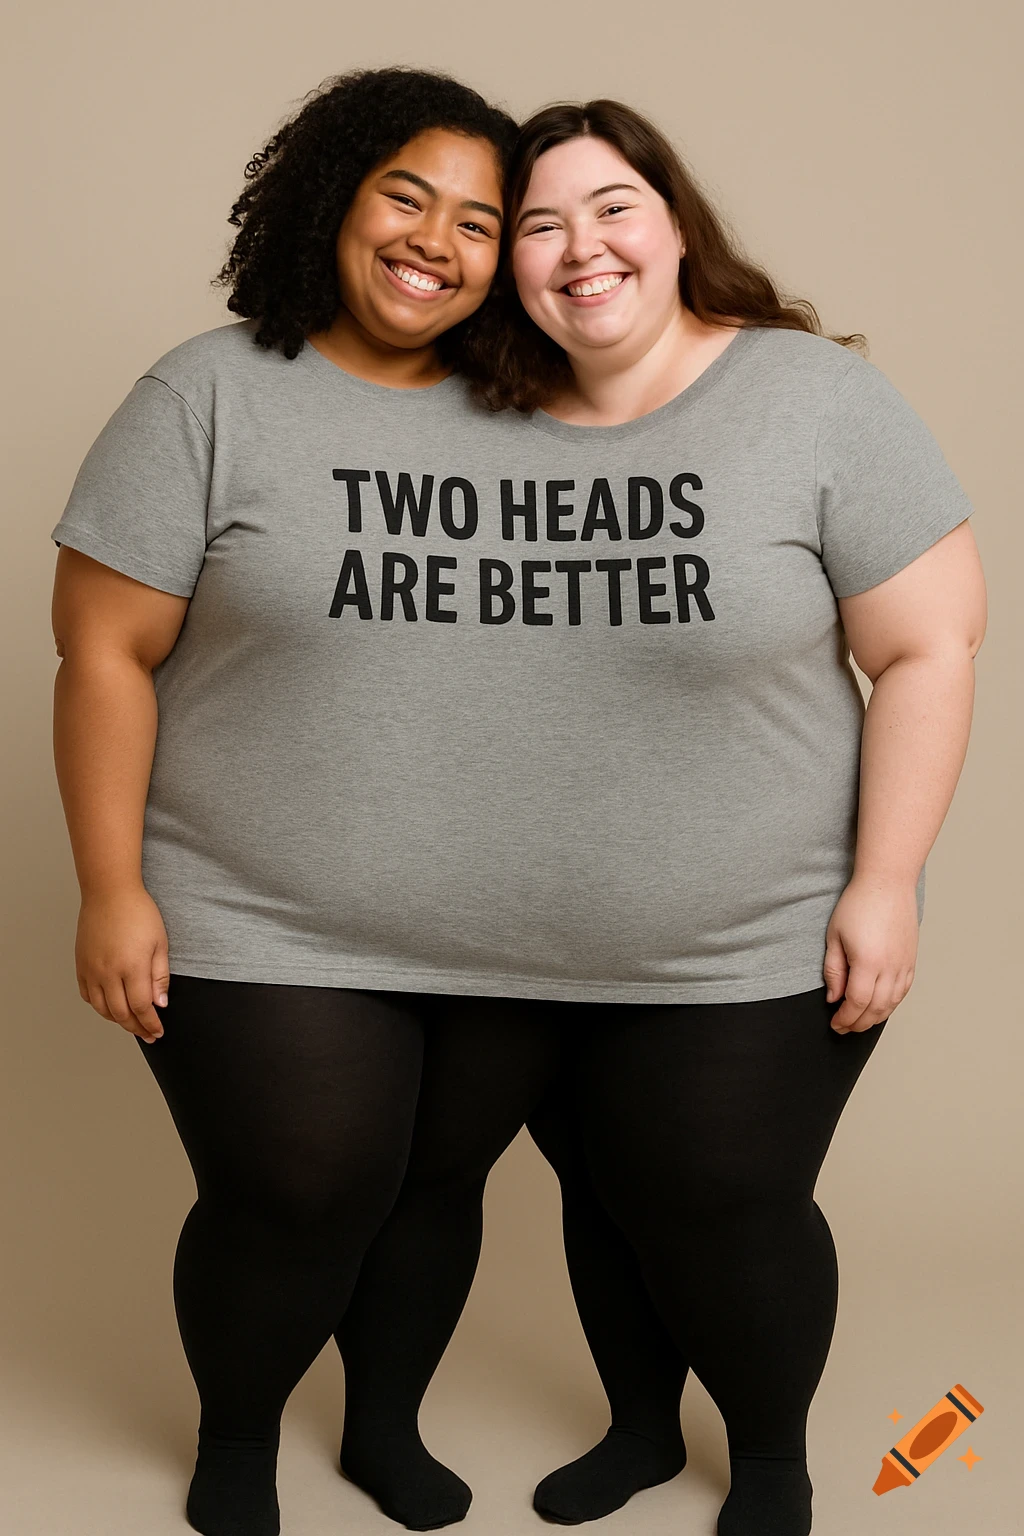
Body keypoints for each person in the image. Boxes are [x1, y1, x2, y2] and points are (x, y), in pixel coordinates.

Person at [328, 100, 986, 1536]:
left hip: (754, 927)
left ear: (676, 224)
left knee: (717, 1195)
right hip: (509, 929)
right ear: (512, 273)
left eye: (612, 207)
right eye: (543, 226)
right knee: (598, 1182)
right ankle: (637, 1429)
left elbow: (932, 645)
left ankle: (770, 1462)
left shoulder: (811, 397)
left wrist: (889, 882)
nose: (582, 248)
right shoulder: (470, 419)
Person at [48, 65, 521, 1536]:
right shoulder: (210, 393)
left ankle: (383, 1427)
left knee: (436, 1185)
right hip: (249, 899)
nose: (437, 238)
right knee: (304, 1184)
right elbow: (106, 651)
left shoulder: (547, 418)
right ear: (333, 196)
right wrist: (113, 887)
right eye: (407, 195)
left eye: (483, 220)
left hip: (508, 905)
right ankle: (239, 1439)